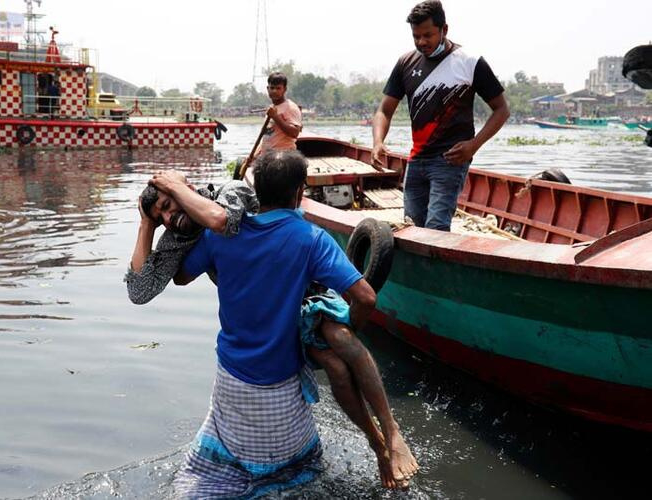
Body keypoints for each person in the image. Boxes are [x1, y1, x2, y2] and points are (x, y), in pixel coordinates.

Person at [127, 153, 418, 495]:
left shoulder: (218, 228)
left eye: (169, 204)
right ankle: (385, 436)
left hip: (237, 373)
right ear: (299, 194)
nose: (169, 216)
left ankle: (384, 438)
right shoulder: (309, 237)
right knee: (339, 354)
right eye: (161, 212)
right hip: (289, 353)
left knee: (336, 355)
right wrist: (346, 326)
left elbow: (183, 275)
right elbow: (366, 298)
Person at [371, 0, 509, 231]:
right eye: (416, 36)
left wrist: (473, 146)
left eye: (428, 35)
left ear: (444, 30)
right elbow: (384, 110)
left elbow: (502, 109)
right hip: (416, 160)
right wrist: (378, 142)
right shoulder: (406, 62)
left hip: (450, 160)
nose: (421, 42)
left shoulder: (469, 62)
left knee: (436, 228)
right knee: (412, 227)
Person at [259, 72, 302, 153]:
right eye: (272, 88)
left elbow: (295, 133)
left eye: (278, 88)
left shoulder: (290, 107)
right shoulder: (271, 108)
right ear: (267, 89)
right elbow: (265, 137)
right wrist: (254, 155)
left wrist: (275, 117)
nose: (274, 91)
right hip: (267, 156)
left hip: (283, 156)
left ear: (284, 89)